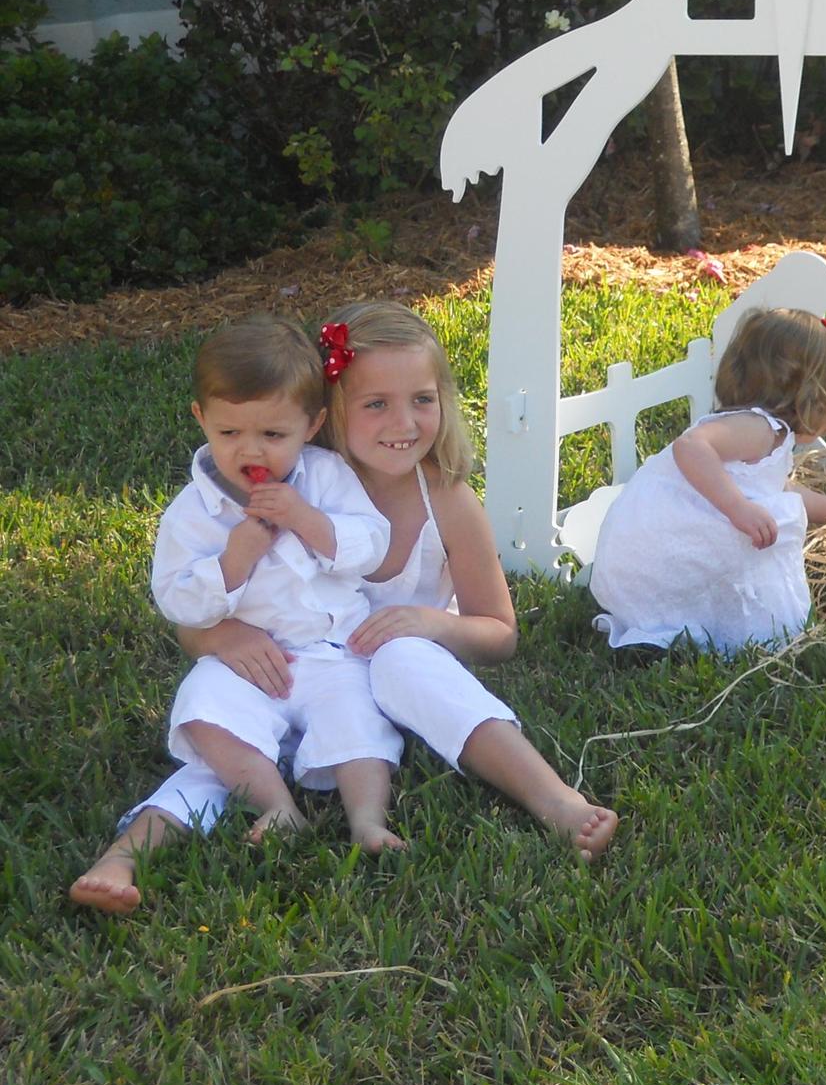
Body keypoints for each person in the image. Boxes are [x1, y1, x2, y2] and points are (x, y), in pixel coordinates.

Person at [75, 305, 618, 918]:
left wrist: (429, 623)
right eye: (375, 404)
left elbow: (501, 636)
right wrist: (225, 636)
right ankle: (124, 855)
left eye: (422, 399)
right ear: (324, 415)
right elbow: (190, 619)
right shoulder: (300, 482)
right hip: (289, 672)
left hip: (391, 683)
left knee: (402, 656)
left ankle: (553, 799)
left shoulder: (445, 498)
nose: (404, 423)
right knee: (219, 756)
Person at [71, 316, 405, 915]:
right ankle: (274, 807)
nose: (250, 451)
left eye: (274, 434)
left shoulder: (326, 477)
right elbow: (176, 598)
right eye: (229, 432)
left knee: (358, 721)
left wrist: (308, 520)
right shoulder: (193, 512)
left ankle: (368, 821)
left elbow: (371, 545)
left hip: (334, 652)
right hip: (249, 661)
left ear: (313, 425)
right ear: (201, 419)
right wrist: (233, 560)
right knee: (205, 717)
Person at [590, 307, 826, 658]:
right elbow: (690, 446)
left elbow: (784, 491)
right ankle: (719, 628)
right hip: (661, 549)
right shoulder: (758, 427)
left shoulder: (766, 434)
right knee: (772, 528)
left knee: (778, 510)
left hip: (641, 556)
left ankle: (676, 622)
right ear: (810, 398)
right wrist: (738, 508)